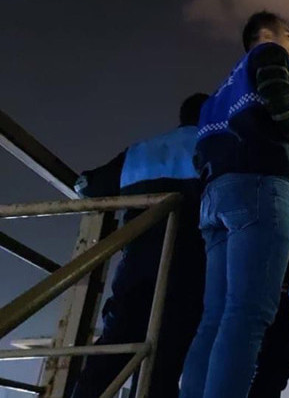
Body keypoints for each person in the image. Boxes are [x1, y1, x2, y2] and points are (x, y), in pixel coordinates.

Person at [179, 11, 289, 398]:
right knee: (248, 314)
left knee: (215, 318)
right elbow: (279, 95)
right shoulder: (270, 54)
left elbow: (198, 154)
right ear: (272, 35)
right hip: (259, 186)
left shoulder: (217, 97)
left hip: (216, 198)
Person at [70, 93, 209, 398]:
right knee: (165, 363)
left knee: (114, 348)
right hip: (189, 268)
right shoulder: (214, 148)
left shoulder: (142, 150)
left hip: (137, 267)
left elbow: (90, 186)